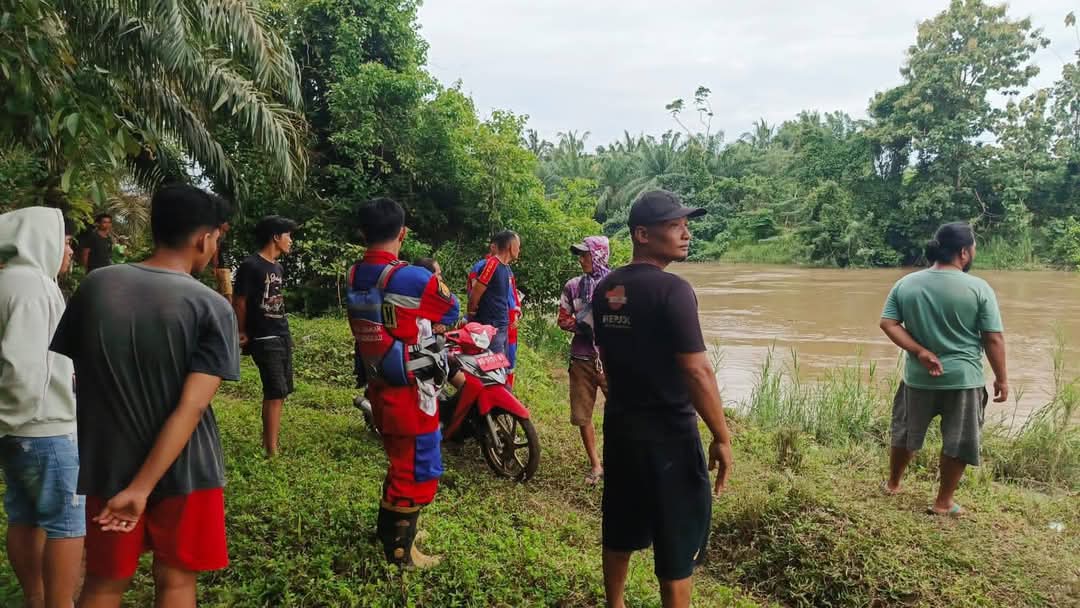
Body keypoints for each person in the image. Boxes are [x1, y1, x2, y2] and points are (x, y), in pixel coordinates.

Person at [50, 184, 239, 608]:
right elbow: (192, 406)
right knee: (176, 582)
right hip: (188, 471)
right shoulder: (211, 306)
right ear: (204, 238)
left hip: (109, 466)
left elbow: (83, 373)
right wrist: (142, 488)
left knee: (103, 582)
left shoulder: (97, 286)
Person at [592, 190, 733, 608]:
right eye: (675, 226)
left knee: (620, 525)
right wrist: (722, 436)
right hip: (670, 436)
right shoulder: (674, 290)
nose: (686, 234)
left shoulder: (606, 288)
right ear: (642, 234)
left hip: (621, 429)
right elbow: (697, 371)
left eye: (686, 226)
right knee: (676, 547)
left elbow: (609, 359)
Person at [347, 198, 459, 569]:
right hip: (412, 392)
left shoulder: (354, 274)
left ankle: (394, 529)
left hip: (380, 385)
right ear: (403, 233)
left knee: (400, 463)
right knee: (416, 470)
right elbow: (451, 309)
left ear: (363, 233)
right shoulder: (411, 277)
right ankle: (401, 552)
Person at [880, 222, 1007, 516]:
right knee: (959, 441)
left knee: (905, 433)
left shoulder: (906, 284)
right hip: (963, 379)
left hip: (918, 378)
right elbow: (993, 338)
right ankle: (943, 502)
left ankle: (893, 484)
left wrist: (920, 351)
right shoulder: (979, 288)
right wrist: (1002, 379)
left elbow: (888, 323)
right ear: (963, 252)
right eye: (974, 248)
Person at [0, 208, 82, 608]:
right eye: (65, 240)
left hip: (17, 430)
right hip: (42, 426)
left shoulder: (9, 281)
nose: (70, 249)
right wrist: (10, 417)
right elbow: (23, 367)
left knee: (24, 516)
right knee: (66, 524)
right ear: (41, 239)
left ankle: (36, 598)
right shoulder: (32, 286)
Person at [233, 215, 298, 457]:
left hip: (281, 333)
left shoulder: (277, 267)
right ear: (275, 237)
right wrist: (241, 331)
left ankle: (271, 445)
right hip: (263, 336)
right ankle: (271, 451)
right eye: (288, 235)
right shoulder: (251, 265)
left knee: (282, 390)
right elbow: (239, 301)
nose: (291, 240)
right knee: (274, 391)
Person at [558, 236, 611, 486]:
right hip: (581, 359)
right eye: (580, 255)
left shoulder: (616, 285)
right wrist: (583, 326)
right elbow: (562, 319)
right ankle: (596, 464)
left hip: (612, 360)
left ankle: (617, 458)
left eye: (585, 254)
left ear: (599, 255)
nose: (581, 260)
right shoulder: (572, 286)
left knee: (621, 411)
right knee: (583, 415)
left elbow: (625, 320)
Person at [467, 231, 521, 378]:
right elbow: (476, 292)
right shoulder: (492, 264)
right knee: (494, 373)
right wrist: (471, 313)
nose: (519, 250)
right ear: (510, 245)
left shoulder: (505, 268)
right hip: (492, 327)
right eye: (518, 246)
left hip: (502, 327)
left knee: (501, 370)